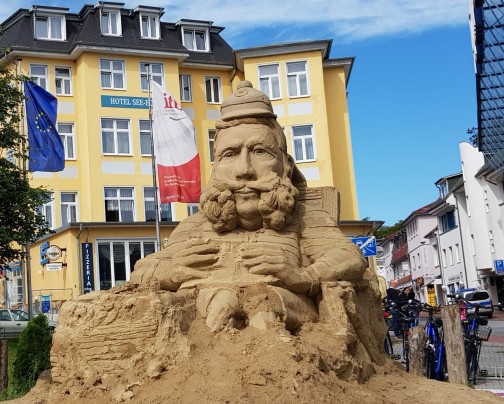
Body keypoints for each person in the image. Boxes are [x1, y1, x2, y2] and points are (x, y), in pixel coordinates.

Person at [131, 81, 385, 364]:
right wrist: (169, 272)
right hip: (203, 319)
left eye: (260, 151)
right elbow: (142, 270)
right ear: (216, 168)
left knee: (262, 307)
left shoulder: (304, 218)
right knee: (212, 304)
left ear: (286, 165)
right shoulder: (195, 226)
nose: (244, 170)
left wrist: (304, 276)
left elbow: (349, 257)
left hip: (278, 317)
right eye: (229, 154)